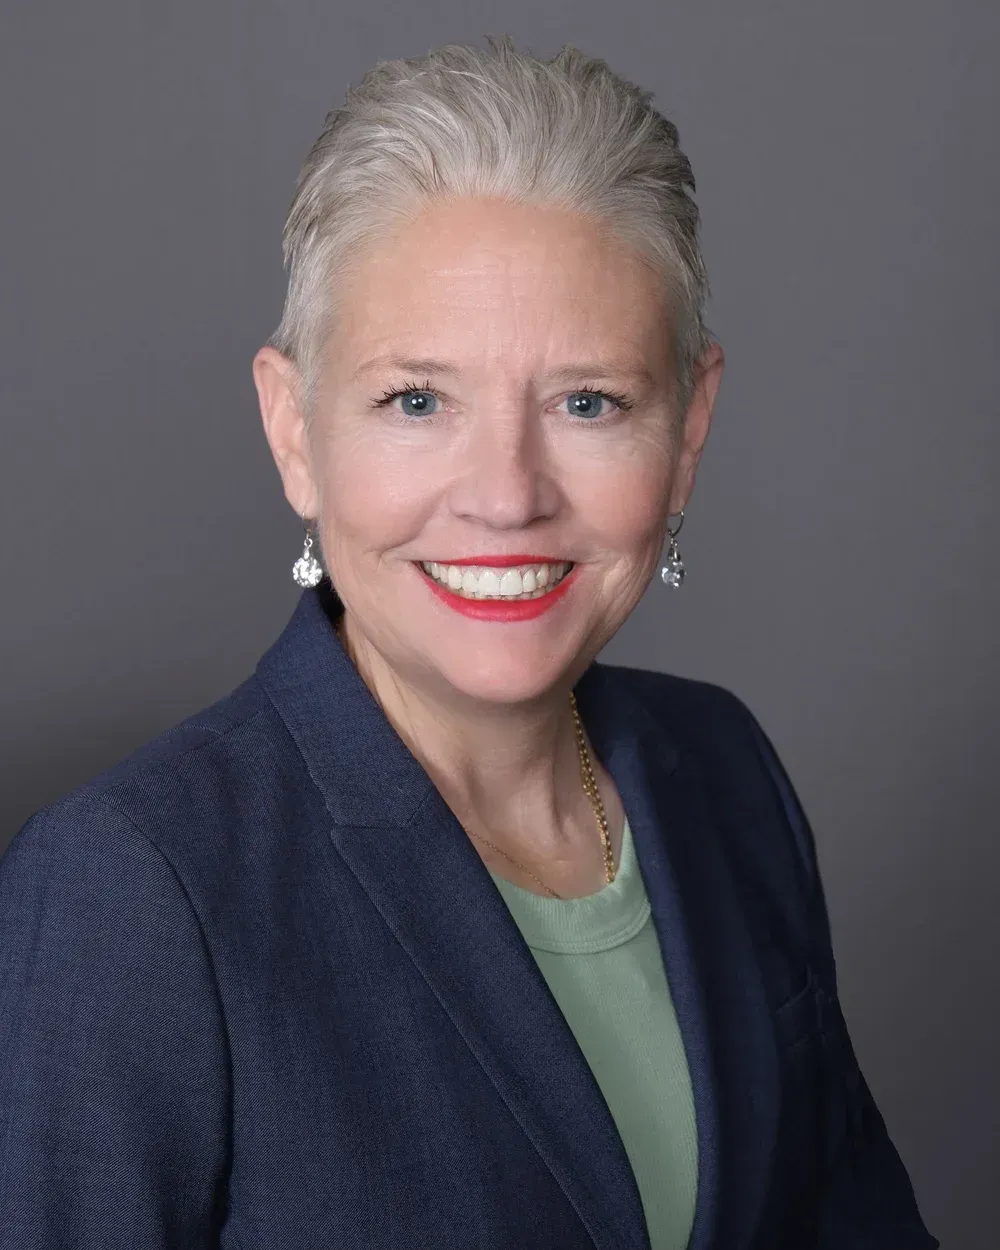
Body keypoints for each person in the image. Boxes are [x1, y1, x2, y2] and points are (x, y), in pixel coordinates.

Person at [0, 34, 937, 1250]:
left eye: (587, 401)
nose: (506, 495)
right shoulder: (130, 887)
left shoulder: (724, 774)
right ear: (294, 429)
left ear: (689, 428)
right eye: (417, 401)